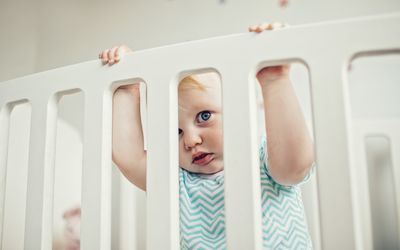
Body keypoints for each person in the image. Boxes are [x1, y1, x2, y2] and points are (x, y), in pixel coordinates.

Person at [100, 22, 315, 249]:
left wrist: (275, 81)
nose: (191, 141)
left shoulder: (263, 159)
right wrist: (126, 85)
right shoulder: (176, 180)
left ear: (241, 110)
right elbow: (127, 155)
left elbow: (295, 166)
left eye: (204, 116)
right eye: (176, 131)